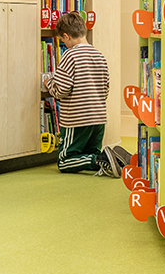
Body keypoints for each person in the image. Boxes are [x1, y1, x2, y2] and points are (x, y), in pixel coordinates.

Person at [43, 12, 128, 176]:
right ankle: (111, 159)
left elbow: (61, 89)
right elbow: (105, 89)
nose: (64, 44)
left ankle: (100, 159)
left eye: (63, 40)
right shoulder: (99, 55)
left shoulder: (69, 55)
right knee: (91, 152)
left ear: (66, 36)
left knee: (65, 161)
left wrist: (49, 84)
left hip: (77, 119)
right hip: (99, 118)